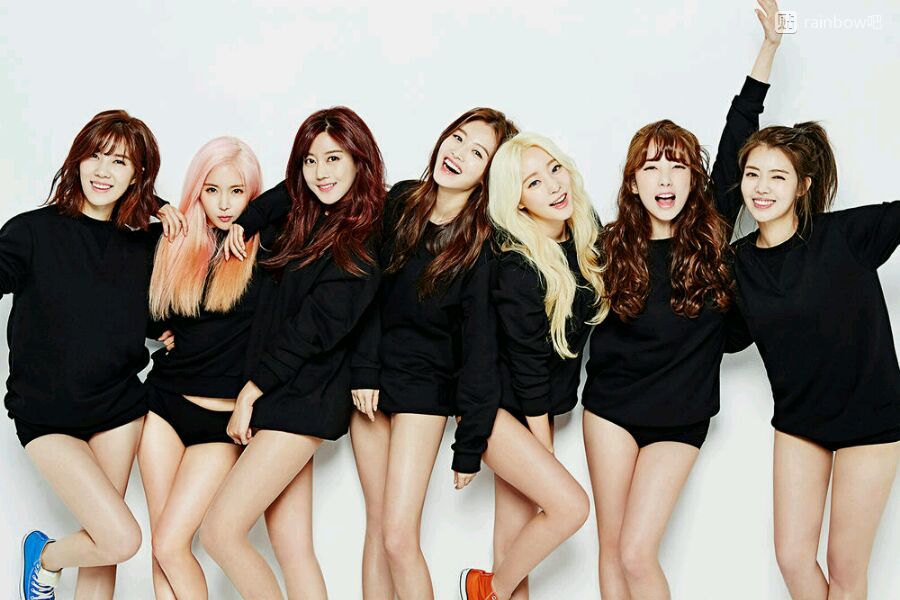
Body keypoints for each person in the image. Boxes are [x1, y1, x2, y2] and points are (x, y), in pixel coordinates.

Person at [581, 3, 781, 597]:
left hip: (682, 415)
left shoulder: (713, 230)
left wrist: (768, 49)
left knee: (638, 553)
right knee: (612, 549)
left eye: (677, 166)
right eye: (651, 168)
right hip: (611, 408)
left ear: (695, 178)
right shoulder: (606, 244)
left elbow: (739, 129)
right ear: (632, 181)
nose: (664, 179)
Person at [199, 106, 385, 599]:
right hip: (284, 389)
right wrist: (246, 221)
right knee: (293, 547)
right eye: (310, 160)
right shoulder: (308, 213)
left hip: (302, 396)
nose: (321, 172)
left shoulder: (362, 239)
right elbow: (289, 191)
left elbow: (310, 331)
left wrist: (250, 392)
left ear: (360, 160)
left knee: (219, 533)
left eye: (334, 158)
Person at [3, 109, 185, 600]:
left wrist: (168, 330)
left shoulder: (145, 245)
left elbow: (132, 310)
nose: (103, 171)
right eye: (95, 156)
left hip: (117, 408)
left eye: (120, 162)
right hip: (46, 412)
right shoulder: (31, 232)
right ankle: (45, 556)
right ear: (77, 160)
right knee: (120, 537)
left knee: (105, 551)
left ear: (138, 174)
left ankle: (51, 563)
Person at [731, 121, 899, 598]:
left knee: (844, 569)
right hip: (800, 421)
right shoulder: (738, 263)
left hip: (871, 419)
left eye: (778, 177)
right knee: (792, 558)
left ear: (803, 186)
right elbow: (721, 337)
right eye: (752, 174)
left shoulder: (845, 234)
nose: (761, 188)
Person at [457, 131, 606, 600]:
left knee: (514, 543)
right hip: (501, 409)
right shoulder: (518, 266)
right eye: (534, 183)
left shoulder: (585, 239)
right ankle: (485, 590)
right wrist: (543, 448)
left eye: (554, 169)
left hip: (537, 408)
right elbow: (528, 368)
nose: (554, 185)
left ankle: (494, 588)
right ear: (519, 202)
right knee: (570, 508)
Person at [138, 136, 264, 599]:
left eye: (237, 191)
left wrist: (257, 216)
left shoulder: (268, 249)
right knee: (161, 545)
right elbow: (112, 227)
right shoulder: (174, 242)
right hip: (165, 405)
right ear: (196, 191)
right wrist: (156, 206)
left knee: (173, 545)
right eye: (212, 190)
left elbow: (300, 188)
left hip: (220, 421)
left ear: (253, 194)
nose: (224, 204)